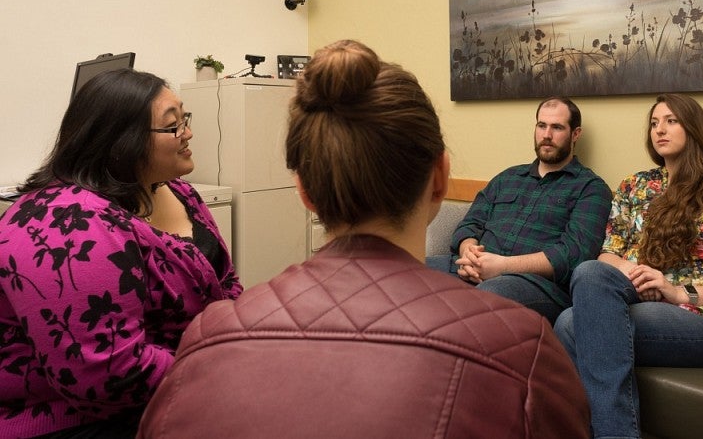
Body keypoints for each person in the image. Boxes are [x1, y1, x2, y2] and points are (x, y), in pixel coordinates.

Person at [137, 39, 590, 439]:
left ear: (305, 191)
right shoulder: (524, 353)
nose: (547, 134)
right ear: (440, 178)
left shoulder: (206, 340)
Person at [0, 68, 242, 438]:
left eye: (185, 119)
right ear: (121, 141)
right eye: (172, 126)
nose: (188, 134)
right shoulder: (66, 225)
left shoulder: (179, 192)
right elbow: (109, 372)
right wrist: (216, 365)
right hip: (82, 418)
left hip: (184, 383)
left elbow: (225, 283)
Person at [553, 93, 703, 438]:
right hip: (640, 297)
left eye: (671, 121)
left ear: (693, 128)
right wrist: (635, 274)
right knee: (588, 273)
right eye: (654, 123)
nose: (659, 130)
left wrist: (675, 291)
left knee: (569, 324)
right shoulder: (634, 186)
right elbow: (608, 254)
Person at [426, 97, 612, 324]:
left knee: (489, 294)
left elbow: (573, 254)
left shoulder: (591, 188)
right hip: (472, 270)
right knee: (408, 272)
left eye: (557, 127)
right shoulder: (508, 178)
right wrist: (470, 253)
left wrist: (502, 267)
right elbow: (470, 224)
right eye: (541, 125)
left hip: (535, 286)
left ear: (575, 134)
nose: (547, 135)